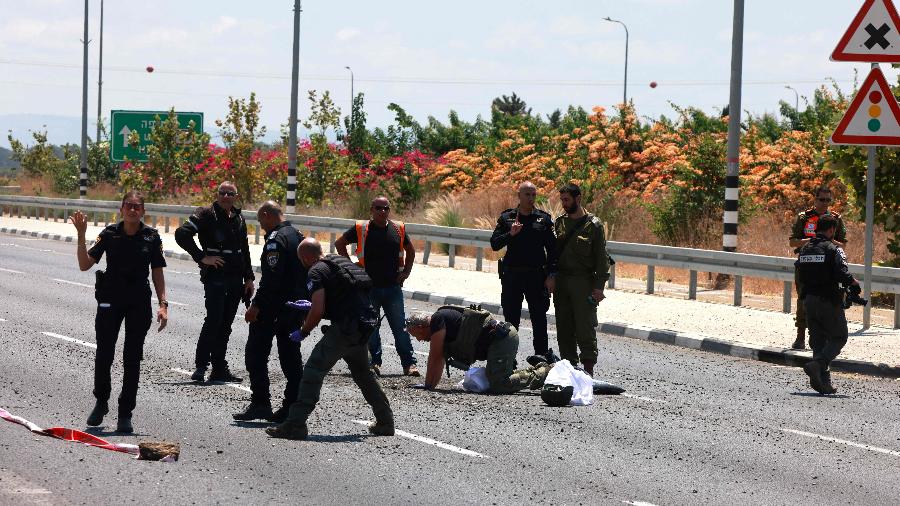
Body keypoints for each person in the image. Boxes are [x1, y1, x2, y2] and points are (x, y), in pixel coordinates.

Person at [266, 239, 394, 441]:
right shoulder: (339, 262)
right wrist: (311, 305)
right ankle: (386, 422)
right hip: (364, 326)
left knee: (313, 371)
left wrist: (304, 331)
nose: (302, 263)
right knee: (363, 375)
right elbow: (341, 296)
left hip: (344, 329)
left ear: (307, 257)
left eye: (301, 259)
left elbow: (318, 310)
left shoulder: (315, 271)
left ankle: (295, 425)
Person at [70, 191, 168, 434]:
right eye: (129, 206)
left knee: (132, 358)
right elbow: (84, 265)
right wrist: (82, 235)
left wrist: (163, 304)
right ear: (121, 209)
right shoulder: (109, 234)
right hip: (110, 299)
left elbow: (157, 271)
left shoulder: (151, 237)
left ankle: (125, 413)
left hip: (138, 302)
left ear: (143, 211)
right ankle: (101, 402)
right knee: (104, 354)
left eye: (137, 206)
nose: (133, 210)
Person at [233, 201, 306, 423]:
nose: (261, 226)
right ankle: (292, 406)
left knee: (255, 354)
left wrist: (256, 305)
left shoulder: (276, 240)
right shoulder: (297, 235)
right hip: (296, 306)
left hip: (274, 307)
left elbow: (272, 278)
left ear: (266, 215)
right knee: (291, 358)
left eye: (261, 221)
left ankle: (261, 403)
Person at [174, 181, 254, 383]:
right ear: (217, 194)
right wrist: (201, 257)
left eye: (230, 193)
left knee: (226, 324)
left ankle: (219, 368)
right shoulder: (206, 214)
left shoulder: (238, 217)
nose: (226, 196)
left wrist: (249, 277)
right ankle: (201, 366)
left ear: (236, 196)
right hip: (216, 276)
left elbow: (243, 249)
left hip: (236, 278)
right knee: (213, 320)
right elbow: (182, 234)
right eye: (222, 193)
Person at [334, 196, 419, 377]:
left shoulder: (398, 228)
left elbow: (411, 251)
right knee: (371, 328)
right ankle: (375, 363)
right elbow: (339, 244)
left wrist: (406, 273)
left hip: (392, 288)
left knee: (400, 328)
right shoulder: (362, 228)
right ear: (371, 210)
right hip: (368, 288)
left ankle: (409, 364)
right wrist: (350, 268)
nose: (383, 212)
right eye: (379, 208)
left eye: (386, 208)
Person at [404, 307, 552, 393]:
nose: (419, 340)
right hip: (497, 341)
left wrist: (428, 386)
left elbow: (435, 356)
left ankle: (545, 371)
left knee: (499, 383)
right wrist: (430, 386)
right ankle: (539, 368)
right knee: (496, 377)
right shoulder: (440, 322)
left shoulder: (437, 320)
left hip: (502, 339)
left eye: (417, 335)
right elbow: (440, 358)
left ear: (420, 327)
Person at [545, 183, 610, 377]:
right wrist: (551, 276)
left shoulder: (594, 225)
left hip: (583, 282)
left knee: (585, 327)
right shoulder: (560, 223)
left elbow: (602, 259)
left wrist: (599, 287)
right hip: (562, 282)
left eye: (567, 199)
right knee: (564, 328)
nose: (563, 204)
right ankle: (570, 370)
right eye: (562, 200)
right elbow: (553, 255)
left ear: (578, 198)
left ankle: (588, 371)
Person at [490, 182, 557, 355]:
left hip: (536, 277)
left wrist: (551, 275)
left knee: (539, 321)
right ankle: (508, 362)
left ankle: (541, 360)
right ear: (519, 195)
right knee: (511, 323)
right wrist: (510, 234)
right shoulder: (508, 218)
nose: (531, 198)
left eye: (533, 195)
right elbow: (494, 244)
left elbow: (553, 250)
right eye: (527, 194)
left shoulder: (543, 219)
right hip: (512, 276)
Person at [795, 214, 858, 395]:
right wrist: (854, 285)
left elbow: (799, 272)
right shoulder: (833, 249)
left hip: (808, 300)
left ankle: (824, 383)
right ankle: (818, 365)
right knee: (839, 336)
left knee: (818, 342)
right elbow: (843, 273)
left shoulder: (805, 249)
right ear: (831, 230)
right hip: (828, 300)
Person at [789, 186, 847, 350]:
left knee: (829, 299)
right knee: (803, 299)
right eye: (822, 200)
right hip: (806, 265)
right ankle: (800, 336)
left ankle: (824, 337)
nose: (825, 203)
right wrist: (811, 241)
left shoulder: (835, 218)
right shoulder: (804, 217)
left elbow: (843, 244)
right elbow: (793, 241)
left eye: (828, 200)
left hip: (827, 267)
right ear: (815, 199)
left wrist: (824, 241)